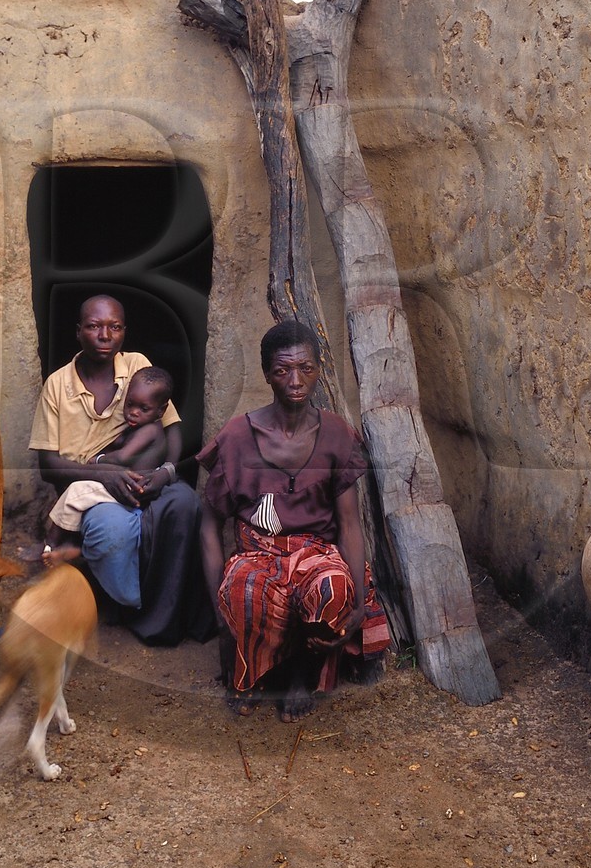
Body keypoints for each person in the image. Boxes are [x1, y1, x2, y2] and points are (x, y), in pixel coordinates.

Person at [198, 320, 391, 722]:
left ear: (319, 369)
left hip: (316, 552)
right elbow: (208, 524)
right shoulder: (237, 438)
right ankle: (256, 675)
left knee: (332, 589)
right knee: (244, 587)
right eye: (283, 370)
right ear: (268, 374)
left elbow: (350, 525)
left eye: (306, 368)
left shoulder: (337, 435)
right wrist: (218, 603)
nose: (296, 380)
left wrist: (357, 598)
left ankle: (303, 676)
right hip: (259, 553)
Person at [29, 296, 215, 646]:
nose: (104, 335)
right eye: (94, 326)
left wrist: (168, 471)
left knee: (185, 505)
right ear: (78, 332)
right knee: (109, 529)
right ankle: (123, 603)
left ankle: (165, 617)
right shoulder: (57, 385)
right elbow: (48, 467)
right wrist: (102, 473)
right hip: (90, 483)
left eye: (114, 327)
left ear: (124, 333)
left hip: (146, 476)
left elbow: (171, 425)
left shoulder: (138, 366)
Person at [43, 366, 174, 556]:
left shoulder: (150, 430)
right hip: (128, 486)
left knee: (76, 492)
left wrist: (97, 460)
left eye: (143, 409)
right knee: (83, 497)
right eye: (130, 404)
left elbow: (122, 457)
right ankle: (72, 545)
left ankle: (51, 543)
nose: (134, 412)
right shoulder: (141, 427)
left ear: (161, 411)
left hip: (132, 489)